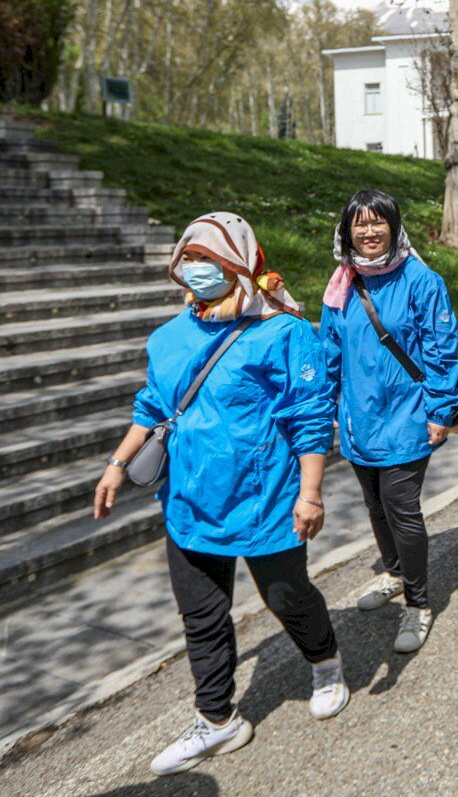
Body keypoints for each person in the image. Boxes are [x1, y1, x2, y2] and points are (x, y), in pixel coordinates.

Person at [93, 212, 348, 777]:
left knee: (287, 598)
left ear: (239, 265)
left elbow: (309, 420)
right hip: (189, 503)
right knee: (201, 616)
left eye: (208, 259)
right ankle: (217, 720)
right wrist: (116, 465)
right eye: (189, 259)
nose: (196, 269)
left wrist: (311, 494)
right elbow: (153, 407)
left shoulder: (283, 333)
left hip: (266, 502)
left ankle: (325, 660)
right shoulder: (168, 337)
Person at [320, 189, 458, 654]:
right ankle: (394, 572)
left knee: (401, 508)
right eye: (359, 224)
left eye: (377, 222)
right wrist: (327, 413)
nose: (369, 231)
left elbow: (441, 349)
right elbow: (329, 354)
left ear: (394, 227)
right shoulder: (342, 284)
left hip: (407, 416)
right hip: (358, 420)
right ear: (347, 233)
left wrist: (440, 410)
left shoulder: (421, 280)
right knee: (376, 505)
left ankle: (418, 605)